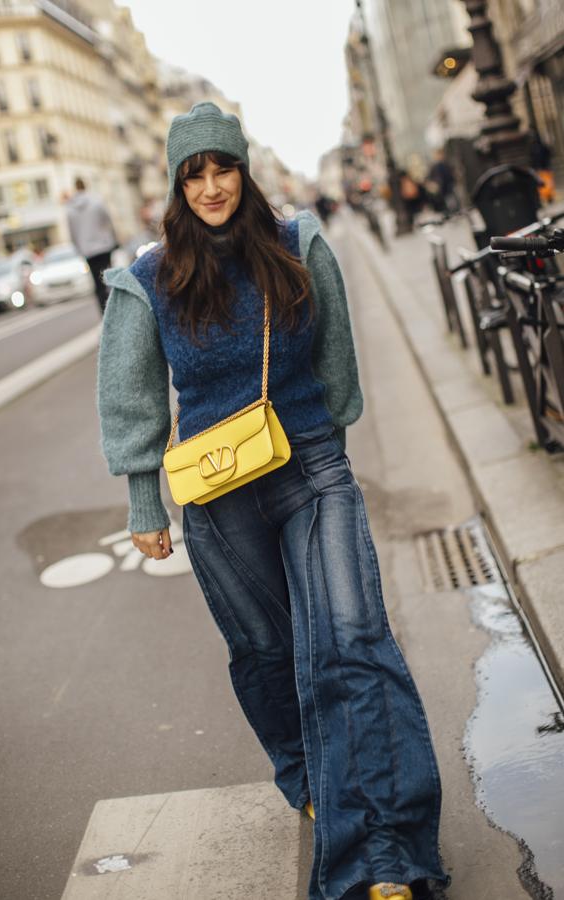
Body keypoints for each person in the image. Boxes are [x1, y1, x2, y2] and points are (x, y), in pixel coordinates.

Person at [96, 101, 450, 900]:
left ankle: (381, 852)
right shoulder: (148, 277)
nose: (212, 186)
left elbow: (336, 364)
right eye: (195, 175)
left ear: (244, 170)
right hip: (217, 496)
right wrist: (144, 500)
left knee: (350, 641)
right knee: (265, 654)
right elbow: (134, 398)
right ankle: (308, 771)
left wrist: (330, 457)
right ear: (177, 185)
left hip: (310, 468)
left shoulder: (298, 246)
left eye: (222, 168)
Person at [65, 177, 118, 314]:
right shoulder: (96, 202)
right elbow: (108, 221)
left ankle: (104, 312)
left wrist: (79, 248)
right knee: (109, 279)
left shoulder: (70, 209)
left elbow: (72, 233)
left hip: (88, 250)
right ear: (86, 185)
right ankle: (116, 309)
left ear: (75, 188)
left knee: (97, 284)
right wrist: (113, 238)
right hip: (104, 246)